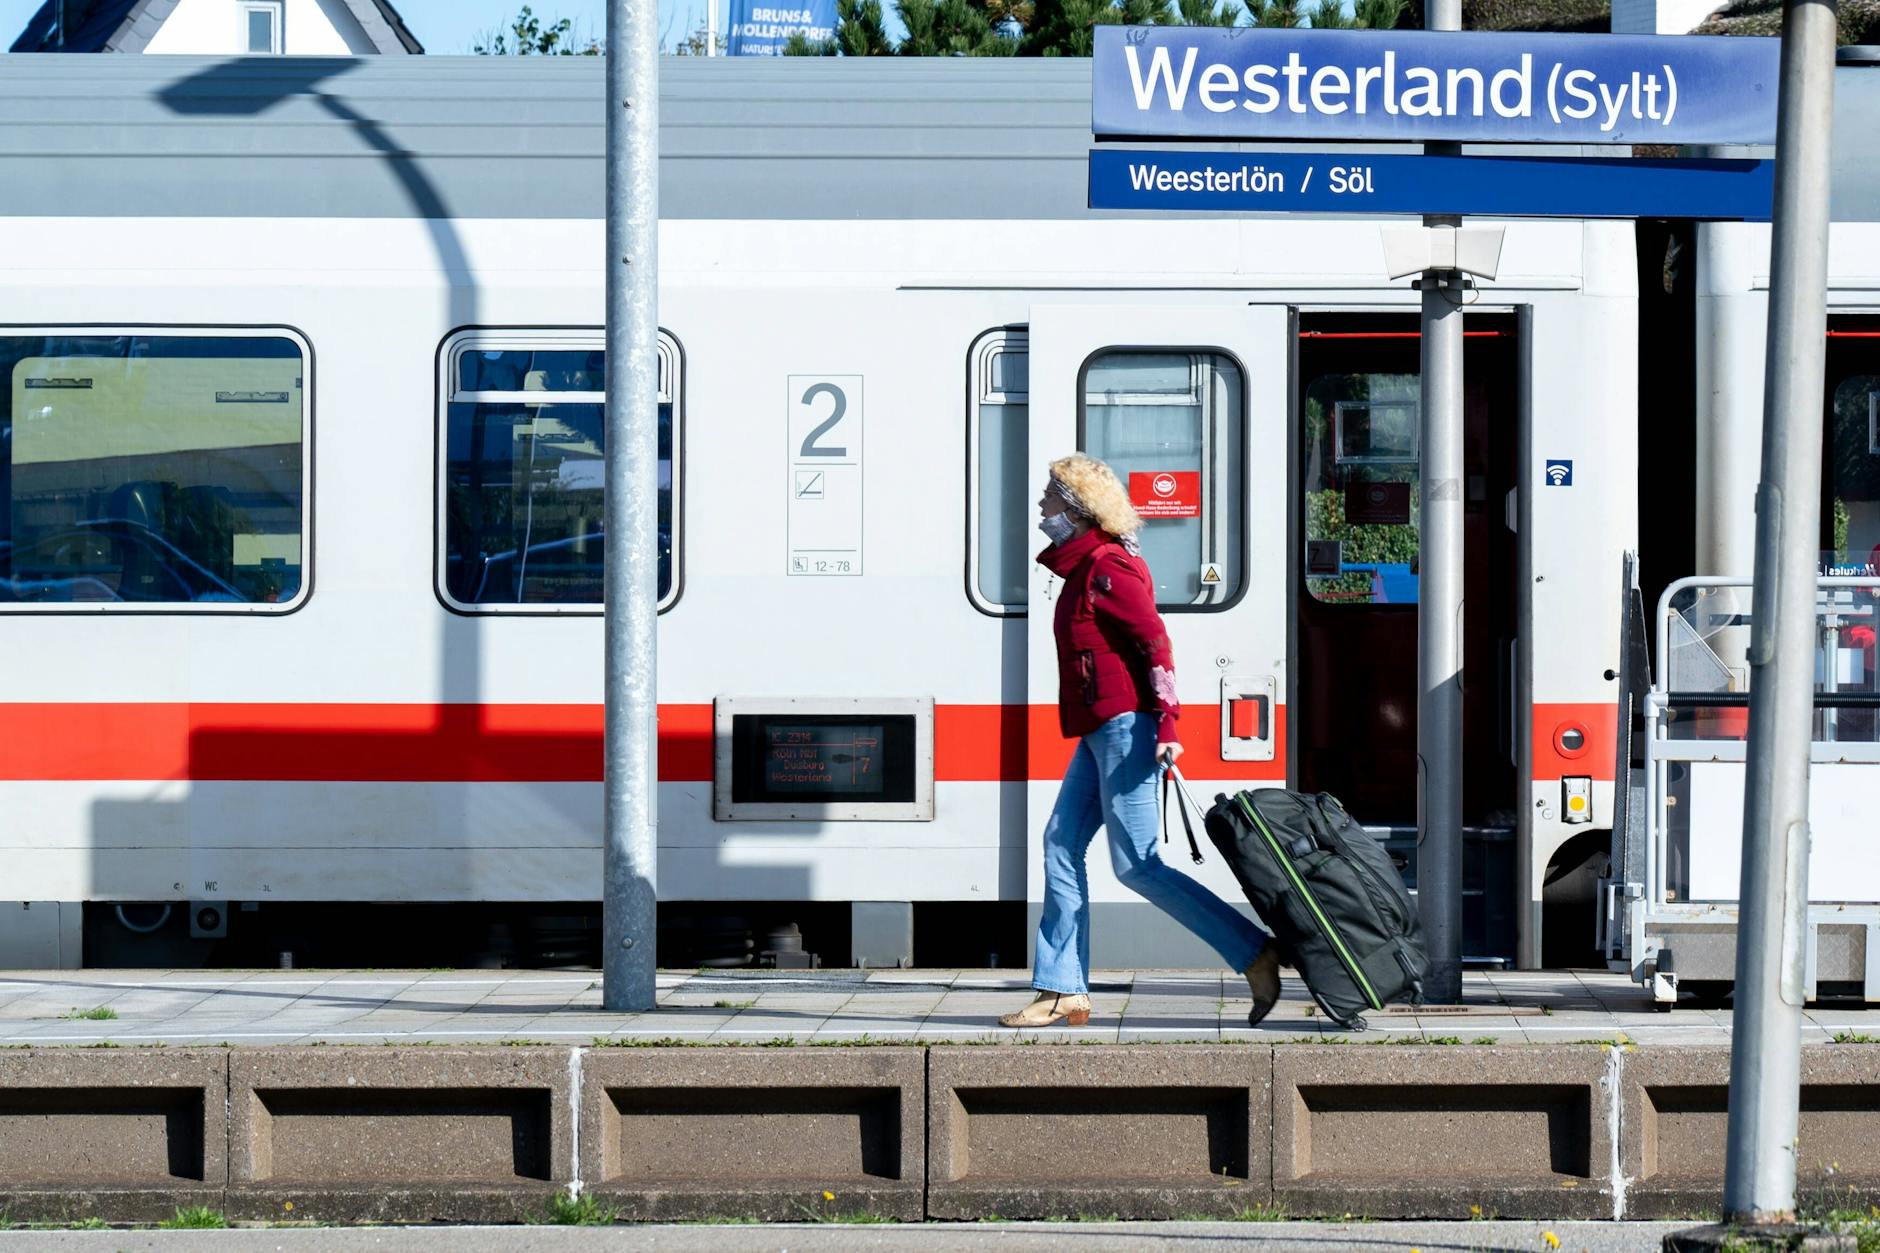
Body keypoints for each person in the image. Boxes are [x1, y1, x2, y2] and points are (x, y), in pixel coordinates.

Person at [1000, 454, 1281, 1029]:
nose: (1041, 506)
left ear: (1077, 509)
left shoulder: (1109, 568)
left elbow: (1156, 644)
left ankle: (1255, 952)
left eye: (1050, 497)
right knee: (1060, 845)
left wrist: (1168, 725)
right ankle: (1062, 990)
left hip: (1128, 729)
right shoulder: (1086, 567)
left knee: (1138, 865)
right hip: (1102, 728)